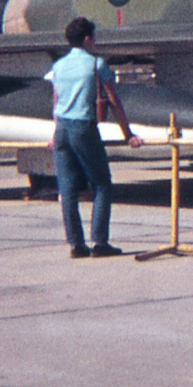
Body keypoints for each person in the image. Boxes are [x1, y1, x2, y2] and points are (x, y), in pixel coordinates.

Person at [47, 17, 143, 257]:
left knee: (68, 189)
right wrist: (127, 134)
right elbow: (113, 100)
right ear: (88, 39)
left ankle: (76, 245)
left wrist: (54, 133)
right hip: (82, 127)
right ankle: (100, 242)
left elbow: (56, 101)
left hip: (62, 130)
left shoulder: (59, 65)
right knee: (101, 184)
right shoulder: (96, 64)